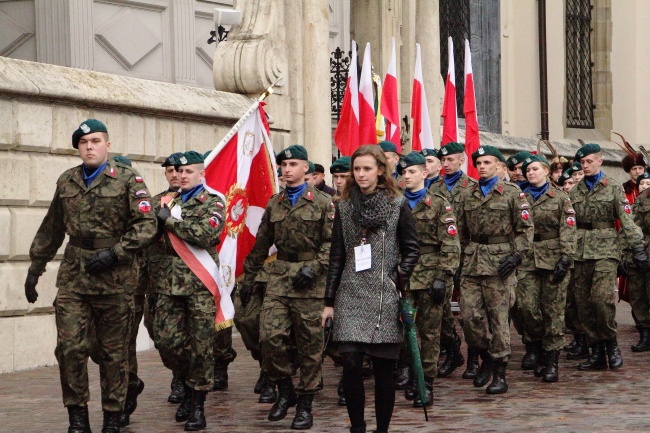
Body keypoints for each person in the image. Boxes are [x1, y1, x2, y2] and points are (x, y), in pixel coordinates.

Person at [24, 119, 158, 433]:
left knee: (113, 353)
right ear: (78, 148)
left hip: (116, 277)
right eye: (84, 143)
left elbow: (147, 225)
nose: (90, 147)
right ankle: (77, 418)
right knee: (69, 348)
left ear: (107, 145)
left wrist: (116, 252)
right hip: (74, 275)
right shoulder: (67, 181)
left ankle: (113, 416)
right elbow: (52, 228)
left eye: (96, 141)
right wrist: (35, 268)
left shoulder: (127, 179)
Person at [322, 145, 419, 433]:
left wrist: (396, 276)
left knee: (383, 371)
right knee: (351, 363)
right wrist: (329, 301)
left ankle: (382, 428)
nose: (361, 174)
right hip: (350, 292)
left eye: (367, 168)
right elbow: (336, 254)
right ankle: (357, 426)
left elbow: (412, 249)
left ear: (380, 170)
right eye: (357, 169)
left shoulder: (397, 205)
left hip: (384, 294)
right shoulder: (344, 206)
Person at [240, 144, 332, 430]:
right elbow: (262, 242)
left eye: (293, 164)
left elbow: (332, 244)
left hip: (310, 281)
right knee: (269, 338)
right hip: (279, 277)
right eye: (284, 165)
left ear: (306, 169)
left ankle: (305, 405)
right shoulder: (274, 202)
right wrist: (248, 275)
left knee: (310, 346)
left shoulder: (322, 203)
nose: (287, 169)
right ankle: (285, 390)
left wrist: (314, 267)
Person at [152, 150, 226, 431]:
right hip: (167, 285)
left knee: (201, 347)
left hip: (198, 286)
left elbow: (203, 234)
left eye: (188, 172)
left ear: (201, 174)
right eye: (178, 172)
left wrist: (168, 221)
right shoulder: (166, 201)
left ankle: (197, 404)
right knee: (167, 343)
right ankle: (184, 382)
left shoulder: (213, 202)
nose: (182, 176)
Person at [455, 145, 533, 394]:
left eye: (488, 163)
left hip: (501, 264)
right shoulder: (467, 194)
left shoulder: (512, 194)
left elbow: (525, 230)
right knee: (470, 319)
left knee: (499, 321)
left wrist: (517, 256)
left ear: (499, 166)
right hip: (472, 262)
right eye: (479, 163)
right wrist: (459, 260)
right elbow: (460, 231)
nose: (482, 167)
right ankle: (486, 355)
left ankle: (500, 373)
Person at [570, 143, 648, 371]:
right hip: (580, 251)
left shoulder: (613, 188)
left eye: (589, 161)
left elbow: (627, 221)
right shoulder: (575, 191)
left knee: (602, 302)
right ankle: (597, 352)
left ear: (600, 161)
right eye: (582, 162)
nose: (585, 166)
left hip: (605, 251)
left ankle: (611, 344)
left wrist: (637, 248)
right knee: (584, 306)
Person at [399, 152, 460, 407]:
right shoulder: (395, 203)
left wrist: (443, 276)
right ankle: (412, 375)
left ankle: (427, 382)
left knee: (429, 332)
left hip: (429, 273)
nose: (407, 176)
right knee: (403, 331)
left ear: (424, 174)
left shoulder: (438, 203)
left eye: (412, 172)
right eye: (404, 173)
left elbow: (450, 242)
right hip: (402, 274)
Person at [515, 155, 576, 382]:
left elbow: (569, 228)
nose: (530, 173)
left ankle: (551, 361)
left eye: (534, 169)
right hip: (528, 258)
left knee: (553, 311)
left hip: (553, 257)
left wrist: (566, 257)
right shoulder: (521, 198)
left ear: (546, 171)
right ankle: (537, 346)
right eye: (527, 170)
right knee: (527, 308)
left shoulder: (560, 198)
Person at [429, 142, 476, 378]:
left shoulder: (472, 188)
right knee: (441, 309)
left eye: (450, 160)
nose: (446, 164)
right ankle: (452, 347)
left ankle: (475, 358)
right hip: (440, 256)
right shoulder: (433, 187)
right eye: (443, 161)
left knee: (470, 311)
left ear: (461, 160)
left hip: (468, 256)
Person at [629, 171, 650, 352]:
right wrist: (637, 249)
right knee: (638, 295)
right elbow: (634, 225)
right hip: (642, 249)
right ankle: (644, 334)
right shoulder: (643, 198)